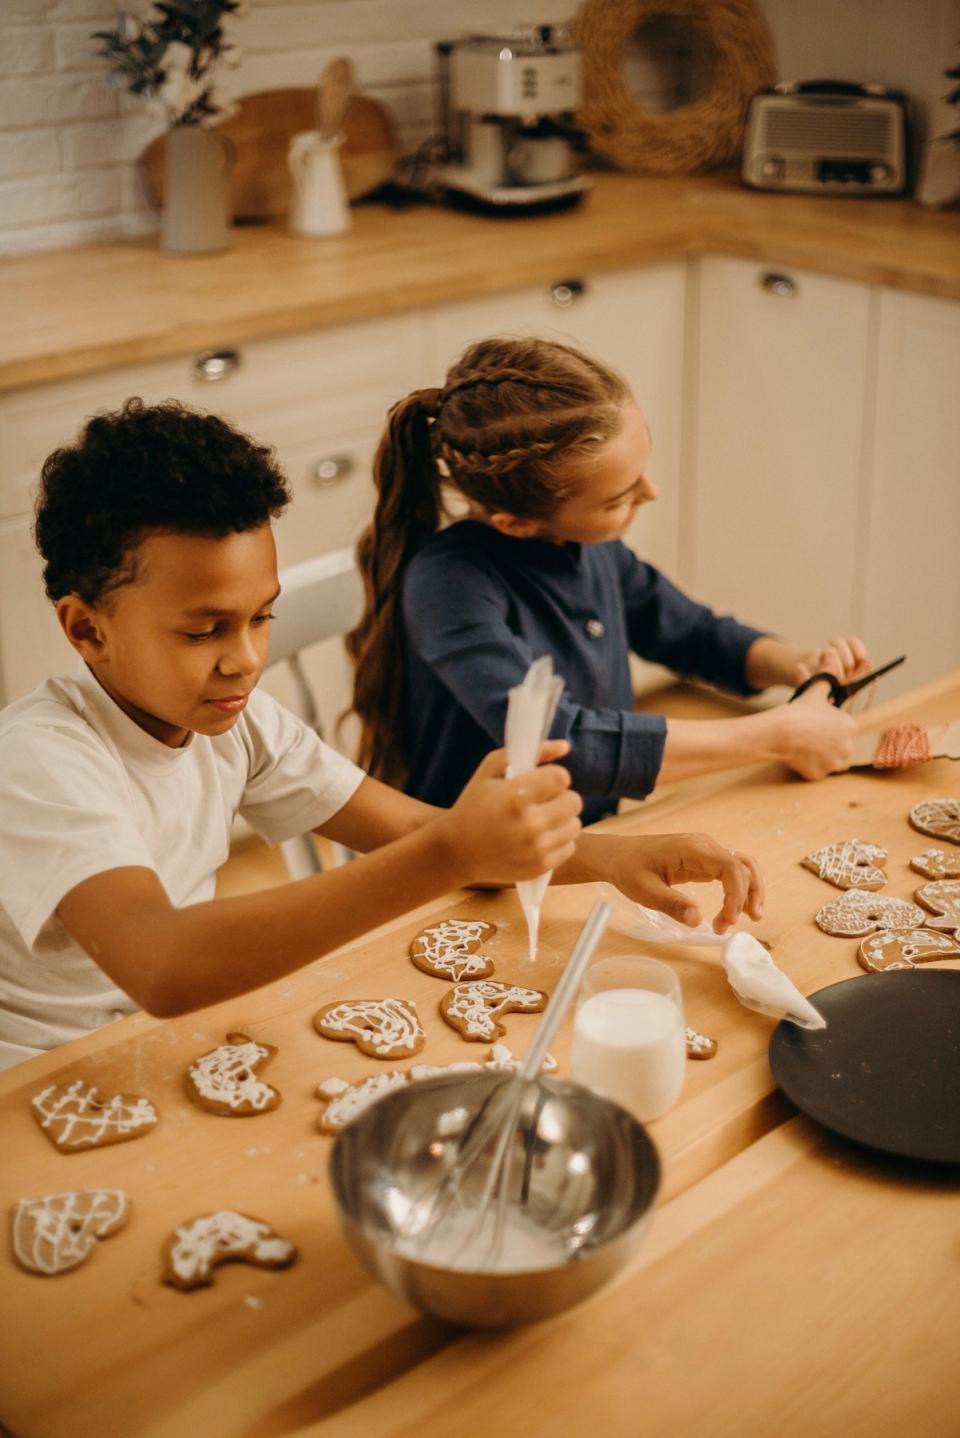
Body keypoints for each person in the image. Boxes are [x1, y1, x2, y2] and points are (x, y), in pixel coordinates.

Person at [0, 399, 762, 1070]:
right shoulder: (39, 760)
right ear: (86, 629)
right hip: (40, 1080)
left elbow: (413, 828)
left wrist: (615, 856)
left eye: (262, 617)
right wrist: (448, 854)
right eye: (204, 631)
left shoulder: (242, 726)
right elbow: (162, 964)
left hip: (164, 1048)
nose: (246, 659)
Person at [348, 336, 868, 825]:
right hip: (479, 871)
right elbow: (560, 744)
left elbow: (693, 633)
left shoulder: (594, 551)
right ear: (516, 522)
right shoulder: (448, 586)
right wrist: (773, 735)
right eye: (618, 498)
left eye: (641, 469)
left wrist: (796, 665)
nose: (653, 491)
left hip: (589, 838)